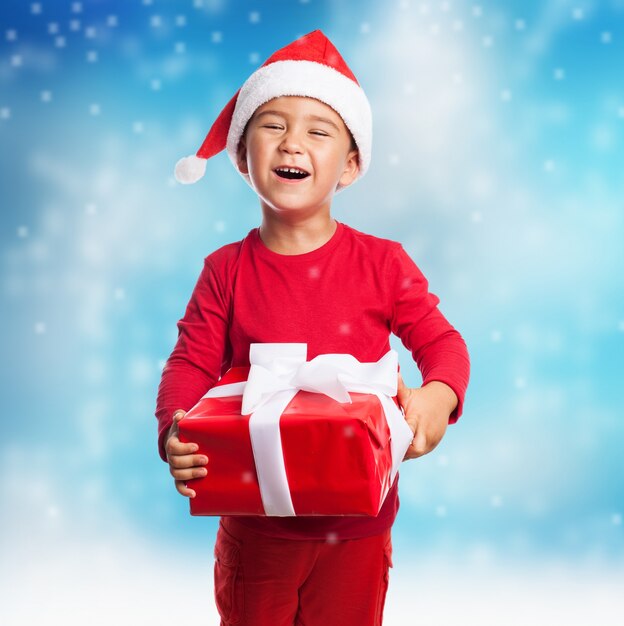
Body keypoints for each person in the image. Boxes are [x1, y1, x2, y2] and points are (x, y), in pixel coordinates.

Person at [155, 29, 470, 626]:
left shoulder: (384, 263)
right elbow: (190, 364)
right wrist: (174, 426)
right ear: (243, 159)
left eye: (317, 131)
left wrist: (438, 394)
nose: (291, 143)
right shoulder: (225, 269)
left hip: (358, 530)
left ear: (350, 165)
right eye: (271, 126)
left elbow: (443, 343)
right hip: (255, 526)